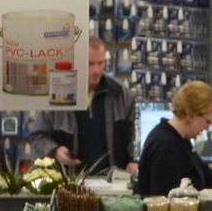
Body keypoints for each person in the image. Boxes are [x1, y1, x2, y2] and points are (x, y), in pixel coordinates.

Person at [25, 37, 136, 173]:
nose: (96, 70)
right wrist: (55, 151)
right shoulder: (57, 92)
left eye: (100, 63)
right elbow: (38, 135)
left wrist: (134, 161)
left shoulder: (120, 94)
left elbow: (134, 137)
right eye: (90, 64)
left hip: (112, 184)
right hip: (69, 185)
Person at [137, 81, 212, 198]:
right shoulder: (167, 147)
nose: (207, 128)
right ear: (192, 113)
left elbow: (209, 178)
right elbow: (163, 203)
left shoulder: (181, 141)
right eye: (207, 122)